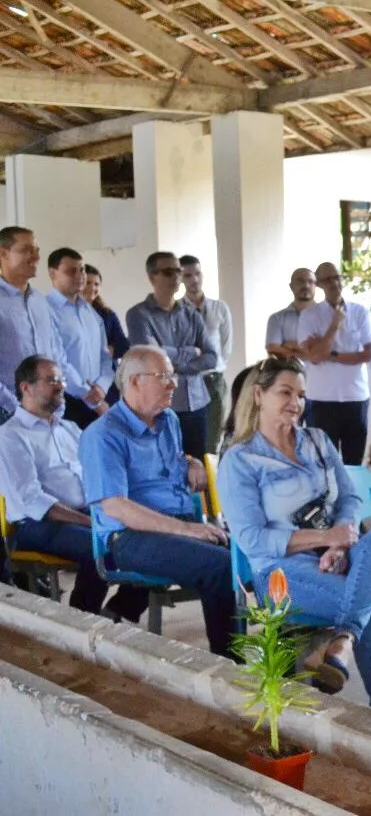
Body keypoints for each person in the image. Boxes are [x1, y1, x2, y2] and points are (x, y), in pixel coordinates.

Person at [219, 357, 371, 716]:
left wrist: (338, 541)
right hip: (279, 571)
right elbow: (254, 539)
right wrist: (321, 538)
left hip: (338, 553)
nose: (296, 403)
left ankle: (341, 640)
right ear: (258, 395)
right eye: (285, 392)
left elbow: (349, 498)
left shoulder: (317, 441)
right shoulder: (240, 459)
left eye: (301, 394)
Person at [79, 345, 235, 658]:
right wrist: (188, 530)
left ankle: (285, 658)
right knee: (220, 566)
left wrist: (189, 461)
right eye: (163, 376)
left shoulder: (168, 422)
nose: (173, 384)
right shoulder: (104, 434)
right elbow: (116, 507)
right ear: (135, 381)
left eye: (172, 376)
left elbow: (169, 465)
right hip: (127, 537)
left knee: (257, 553)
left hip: (174, 525)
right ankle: (232, 667)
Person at [0, 356, 149, 620]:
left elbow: (103, 472)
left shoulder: (70, 429)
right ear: (25, 387)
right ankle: (80, 623)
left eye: (62, 379)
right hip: (37, 524)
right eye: (51, 380)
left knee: (151, 537)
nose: (60, 386)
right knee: (103, 545)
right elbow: (32, 500)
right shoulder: (11, 435)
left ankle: (118, 612)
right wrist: (91, 522)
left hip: (84, 514)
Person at [125, 252, 216, 459]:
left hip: (196, 402)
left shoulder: (191, 313)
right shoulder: (138, 315)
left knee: (198, 467)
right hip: (160, 405)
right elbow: (150, 358)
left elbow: (211, 357)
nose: (175, 277)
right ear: (152, 277)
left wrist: (172, 365)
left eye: (178, 271)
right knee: (166, 464)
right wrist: (192, 352)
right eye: (168, 272)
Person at [299, 262, 371, 465]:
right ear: (319, 284)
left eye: (337, 277)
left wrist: (329, 354)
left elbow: (368, 354)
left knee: (353, 462)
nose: (334, 283)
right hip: (320, 400)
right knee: (323, 462)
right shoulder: (309, 316)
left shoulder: (360, 312)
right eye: (327, 279)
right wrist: (335, 325)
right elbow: (313, 357)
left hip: (355, 397)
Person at [0, 226, 65, 421]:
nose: (36, 257)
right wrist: (16, 408)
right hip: (7, 412)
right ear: (3, 253)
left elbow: (55, 351)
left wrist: (58, 400)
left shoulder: (39, 300)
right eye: (26, 250)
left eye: (36, 250)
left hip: (47, 410)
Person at [45, 248, 113, 429]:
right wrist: (88, 395)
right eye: (71, 271)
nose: (80, 275)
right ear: (53, 273)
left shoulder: (90, 311)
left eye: (81, 269)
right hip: (68, 400)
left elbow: (105, 355)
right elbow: (57, 360)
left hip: (99, 397)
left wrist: (101, 387)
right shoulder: (46, 310)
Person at [180, 255, 233, 455]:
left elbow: (226, 347)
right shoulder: (177, 311)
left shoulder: (219, 308)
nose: (194, 280)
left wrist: (212, 363)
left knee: (213, 439)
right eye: (187, 275)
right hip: (189, 380)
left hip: (214, 380)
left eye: (197, 274)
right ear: (180, 279)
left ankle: (211, 485)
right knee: (189, 438)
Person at [83, 263, 130, 374]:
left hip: (108, 372)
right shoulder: (68, 314)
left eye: (96, 284)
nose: (92, 288)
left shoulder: (108, 314)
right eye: (88, 283)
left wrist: (105, 351)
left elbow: (124, 345)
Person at [265, 268, 316, 360]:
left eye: (310, 281)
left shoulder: (327, 316)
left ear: (315, 286)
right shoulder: (277, 318)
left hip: (321, 373)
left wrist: (289, 346)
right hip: (289, 373)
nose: (306, 285)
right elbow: (273, 350)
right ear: (291, 286)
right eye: (300, 281)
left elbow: (328, 351)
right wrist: (309, 352)